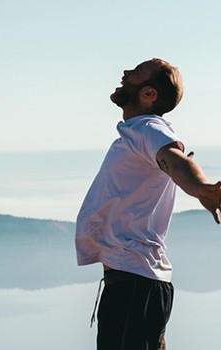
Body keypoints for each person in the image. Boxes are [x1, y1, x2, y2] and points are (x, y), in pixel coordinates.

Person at [75, 58, 221, 350]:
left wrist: (201, 189)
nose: (126, 73)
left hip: (134, 285)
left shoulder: (148, 129)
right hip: (133, 282)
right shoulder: (139, 133)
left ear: (149, 93)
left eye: (136, 72)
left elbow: (176, 162)